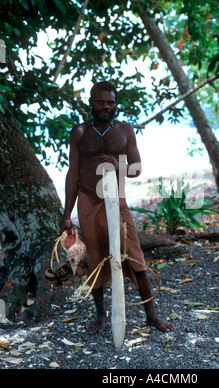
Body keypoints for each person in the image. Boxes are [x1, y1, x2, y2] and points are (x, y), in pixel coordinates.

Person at [60, 81, 174, 334]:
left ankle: (151, 315)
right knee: (96, 256)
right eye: (100, 102)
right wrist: (67, 214)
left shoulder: (125, 130)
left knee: (134, 253)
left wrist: (116, 163)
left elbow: (136, 168)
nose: (105, 106)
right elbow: (73, 174)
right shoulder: (79, 132)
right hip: (88, 199)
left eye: (110, 102)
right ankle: (100, 315)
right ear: (91, 102)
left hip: (117, 199)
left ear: (116, 104)